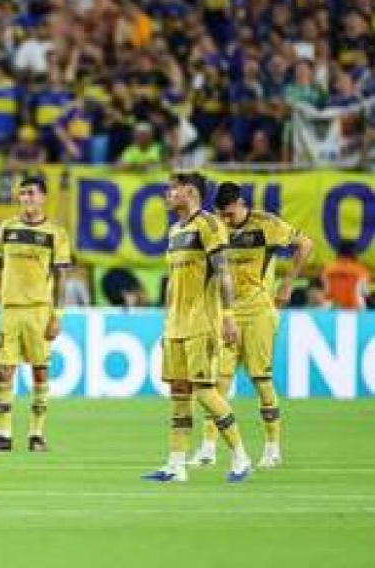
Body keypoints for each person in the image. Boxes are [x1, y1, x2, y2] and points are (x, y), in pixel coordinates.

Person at [189, 182, 313, 469]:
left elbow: (305, 244)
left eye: (230, 214)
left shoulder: (265, 224)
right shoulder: (216, 226)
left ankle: (272, 447)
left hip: (258, 311)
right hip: (226, 313)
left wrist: (288, 282)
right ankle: (208, 448)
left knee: (261, 380)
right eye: (222, 214)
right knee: (217, 382)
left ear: (241, 203)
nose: (226, 220)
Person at [142, 172, 251, 483]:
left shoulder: (210, 225)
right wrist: (166, 322)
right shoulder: (175, 230)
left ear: (189, 192)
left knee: (204, 391)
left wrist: (229, 315)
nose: (166, 194)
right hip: (175, 325)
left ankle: (240, 457)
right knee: (179, 394)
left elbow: (224, 272)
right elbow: (173, 283)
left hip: (202, 322)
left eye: (172, 189)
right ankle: (176, 465)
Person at [0, 176, 71, 452]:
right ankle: (3, 434)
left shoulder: (56, 233)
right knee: (4, 371)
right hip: (9, 309)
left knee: (40, 372)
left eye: (31, 193)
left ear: (43, 197)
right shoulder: (7, 227)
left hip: (39, 310)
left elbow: (62, 276)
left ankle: (36, 434)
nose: (26, 198)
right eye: (22, 194)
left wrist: (59, 315)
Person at [321, 240, 370, 310]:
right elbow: (365, 292)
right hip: (356, 308)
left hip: (330, 308)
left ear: (339, 252)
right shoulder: (362, 271)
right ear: (355, 253)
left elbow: (325, 289)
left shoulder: (327, 269)